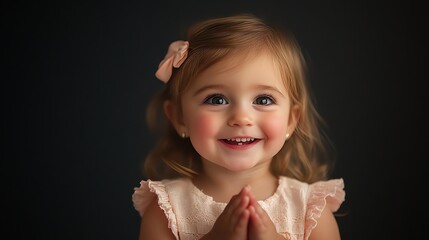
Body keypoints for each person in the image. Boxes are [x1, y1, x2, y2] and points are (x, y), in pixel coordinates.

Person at [132, 14, 345, 240]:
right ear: (179, 118)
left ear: (291, 120)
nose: (241, 118)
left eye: (263, 100)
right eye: (216, 100)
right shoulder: (166, 210)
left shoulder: (310, 210)